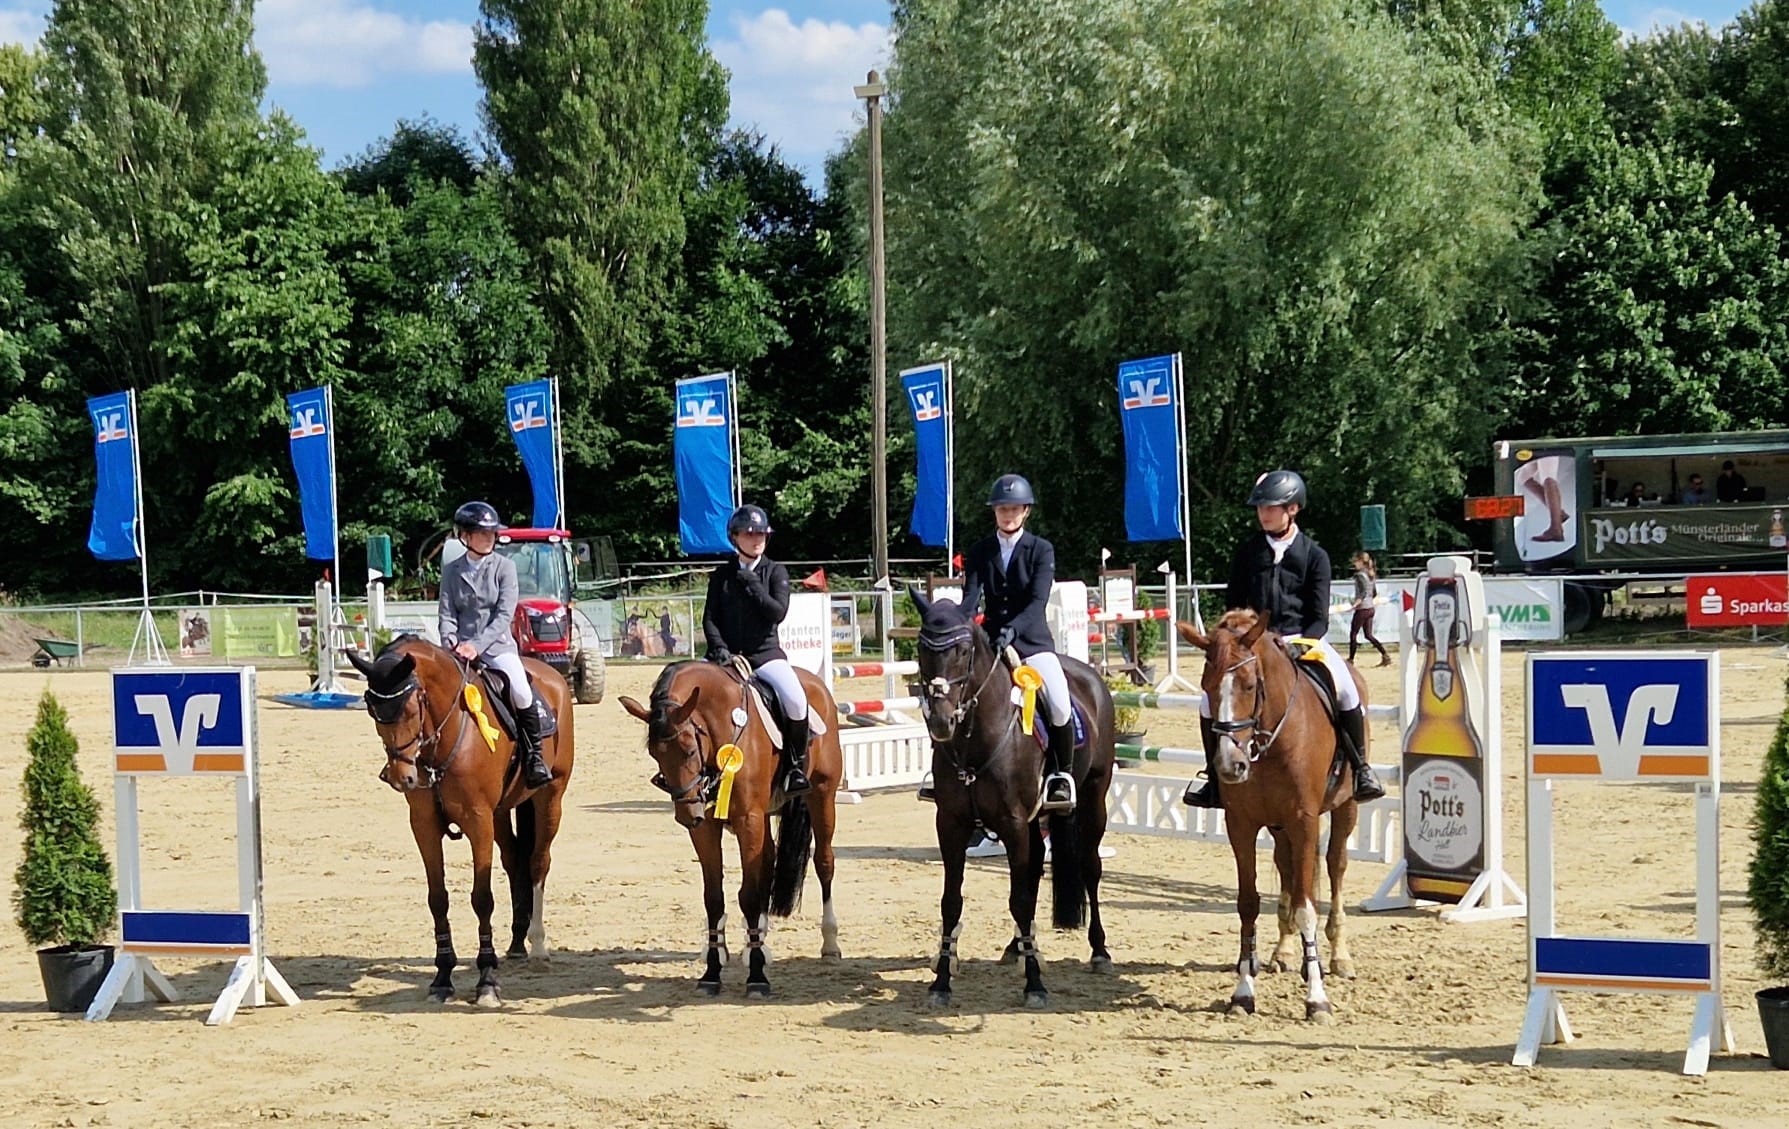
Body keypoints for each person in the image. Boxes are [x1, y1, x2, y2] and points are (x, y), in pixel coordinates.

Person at [1182, 470, 1385, 809]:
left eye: (1271, 507)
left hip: (1301, 639)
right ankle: (1214, 778)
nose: (1263, 513)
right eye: (1260, 507)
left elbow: (1318, 615)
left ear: (1292, 509)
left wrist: (1300, 643)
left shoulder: (1314, 555)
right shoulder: (1248, 553)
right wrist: (1236, 640)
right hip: (1252, 645)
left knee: (1347, 688)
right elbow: (1234, 604)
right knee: (1208, 702)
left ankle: (1361, 768)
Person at [958, 473, 1076, 813]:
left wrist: (1013, 629)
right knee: (957, 700)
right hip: (991, 643)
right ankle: (951, 777)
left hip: (1033, 643)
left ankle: (1060, 777)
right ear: (994, 512)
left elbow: (1037, 602)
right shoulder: (980, 551)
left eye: (1013, 509)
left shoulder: (1041, 549)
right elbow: (971, 599)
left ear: (1025, 511)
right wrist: (955, 618)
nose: (1007, 515)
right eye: (1001, 509)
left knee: (1058, 703)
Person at [438, 501, 552, 789]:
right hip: (459, 649)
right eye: (483, 533)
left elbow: (504, 615)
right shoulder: (452, 571)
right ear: (465, 536)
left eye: (492, 534)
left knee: (521, 691)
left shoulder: (505, 568)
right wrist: (450, 642)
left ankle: (534, 756)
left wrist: (476, 645)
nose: (490, 538)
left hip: (497, 648)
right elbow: (447, 613)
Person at [702, 504, 812, 797]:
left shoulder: (774, 572)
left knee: (797, 701)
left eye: (761, 533)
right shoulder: (721, 576)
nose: (757, 539)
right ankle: (697, 771)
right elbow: (710, 619)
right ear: (735, 537)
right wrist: (720, 649)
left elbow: (777, 612)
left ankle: (795, 768)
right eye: (750, 534)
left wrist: (752, 584)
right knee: (691, 693)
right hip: (726, 658)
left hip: (765, 657)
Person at [1346, 551, 1391, 668]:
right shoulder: (1371, 574)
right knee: (1368, 635)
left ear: (1361, 561)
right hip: (1370, 608)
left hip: (1362, 609)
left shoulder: (1359, 575)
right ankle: (1385, 655)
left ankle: (1351, 659)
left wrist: (1355, 604)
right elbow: (1373, 593)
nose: (1354, 564)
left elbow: (1363, 592)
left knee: (1353, 634)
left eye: (1356, 561)